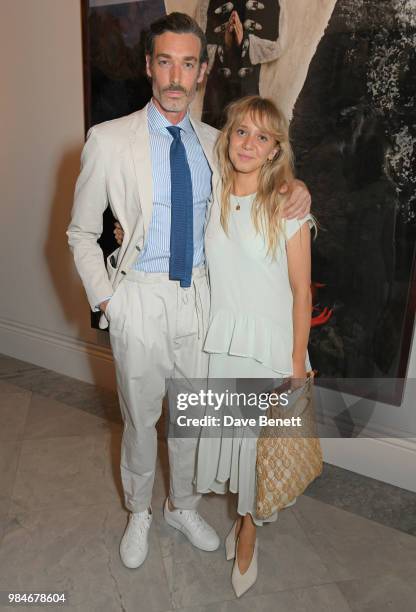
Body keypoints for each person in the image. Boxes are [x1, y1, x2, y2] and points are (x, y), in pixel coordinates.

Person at [68, 12, 311, 572]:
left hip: (203, 301)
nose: (175, 76)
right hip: (140, 298)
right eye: (164, 61)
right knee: (139, 418)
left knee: (192, 419)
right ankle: (139, 511)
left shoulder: (217, 144)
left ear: (202, 71)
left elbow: (263, 180)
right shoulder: (108, 141)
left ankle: (182, 505)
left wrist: (298, 187)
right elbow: (80, 232)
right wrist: (110, 303)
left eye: (187, 63)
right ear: (149, 66)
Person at [196, 95, 315, 597]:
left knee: (257, 453)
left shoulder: (286, 202)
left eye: (262, 136)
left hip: (270, 349)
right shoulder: (215, 189)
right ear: (228, 136)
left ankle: (247, 533)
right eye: (241, 131)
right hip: (223, 344)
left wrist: (294, 364)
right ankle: (243, 518)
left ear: (274, 150)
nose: (248, 143)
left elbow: (302, 290)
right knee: (235, 448)